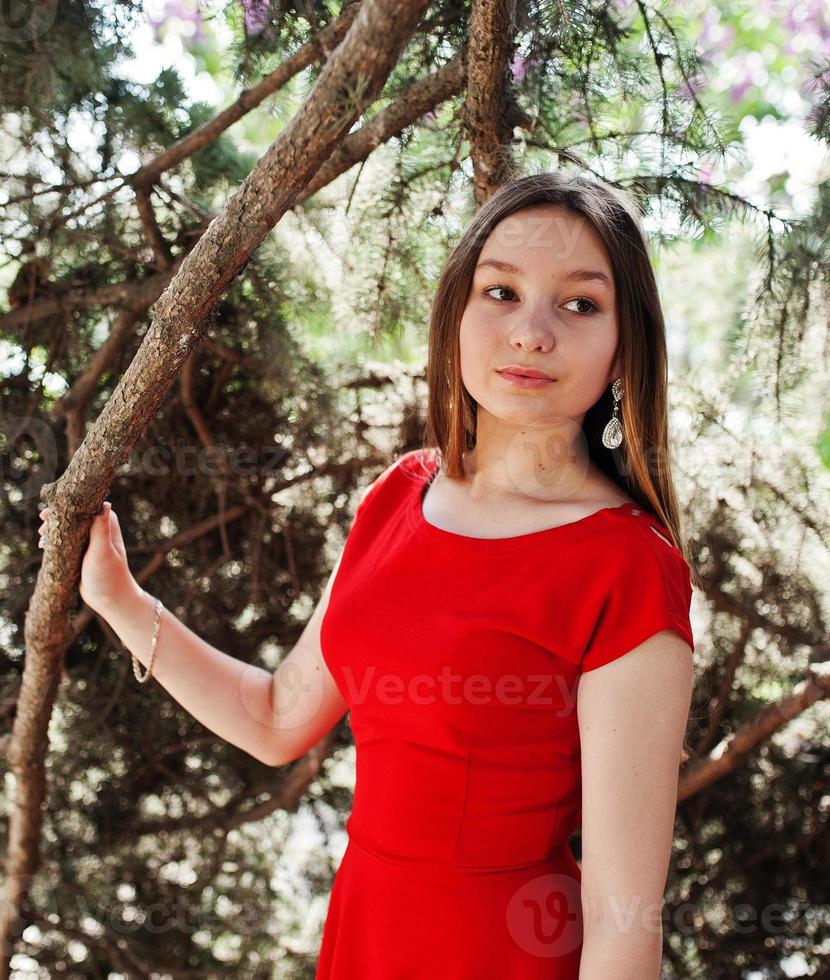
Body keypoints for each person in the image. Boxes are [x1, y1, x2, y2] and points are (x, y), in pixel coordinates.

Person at [41, 169, 697, 978]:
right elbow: (280, 716)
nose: (531, 332)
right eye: (500, 292)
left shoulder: (627, 566)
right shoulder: (400, 496)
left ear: (624, 344)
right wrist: (117, 599)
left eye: (579, 304)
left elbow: (622, 918)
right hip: (365, 936)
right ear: (455, 310)